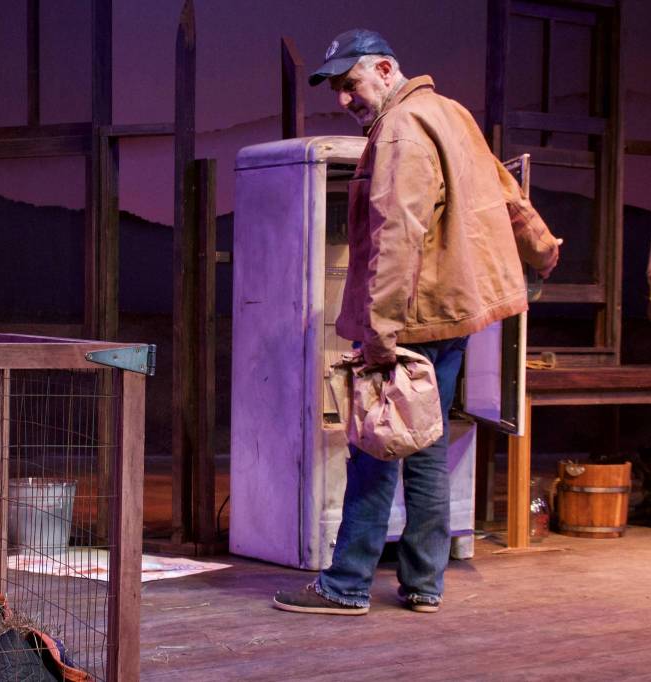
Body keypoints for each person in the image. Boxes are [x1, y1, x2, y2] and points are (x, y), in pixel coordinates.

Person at [272, 29, 561, 615]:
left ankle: (346, 584)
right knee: (425, 444)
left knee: (376, 445)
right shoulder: (449, 112)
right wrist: (542, 248)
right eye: (336, 89)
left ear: (384, 70)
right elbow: (507, 193)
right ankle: (425, 582)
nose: (344, 99)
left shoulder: (402, 128)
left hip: (411, 317)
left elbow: (398, 234)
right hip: (448, 315)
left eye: (350, 84)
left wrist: (380, 331)